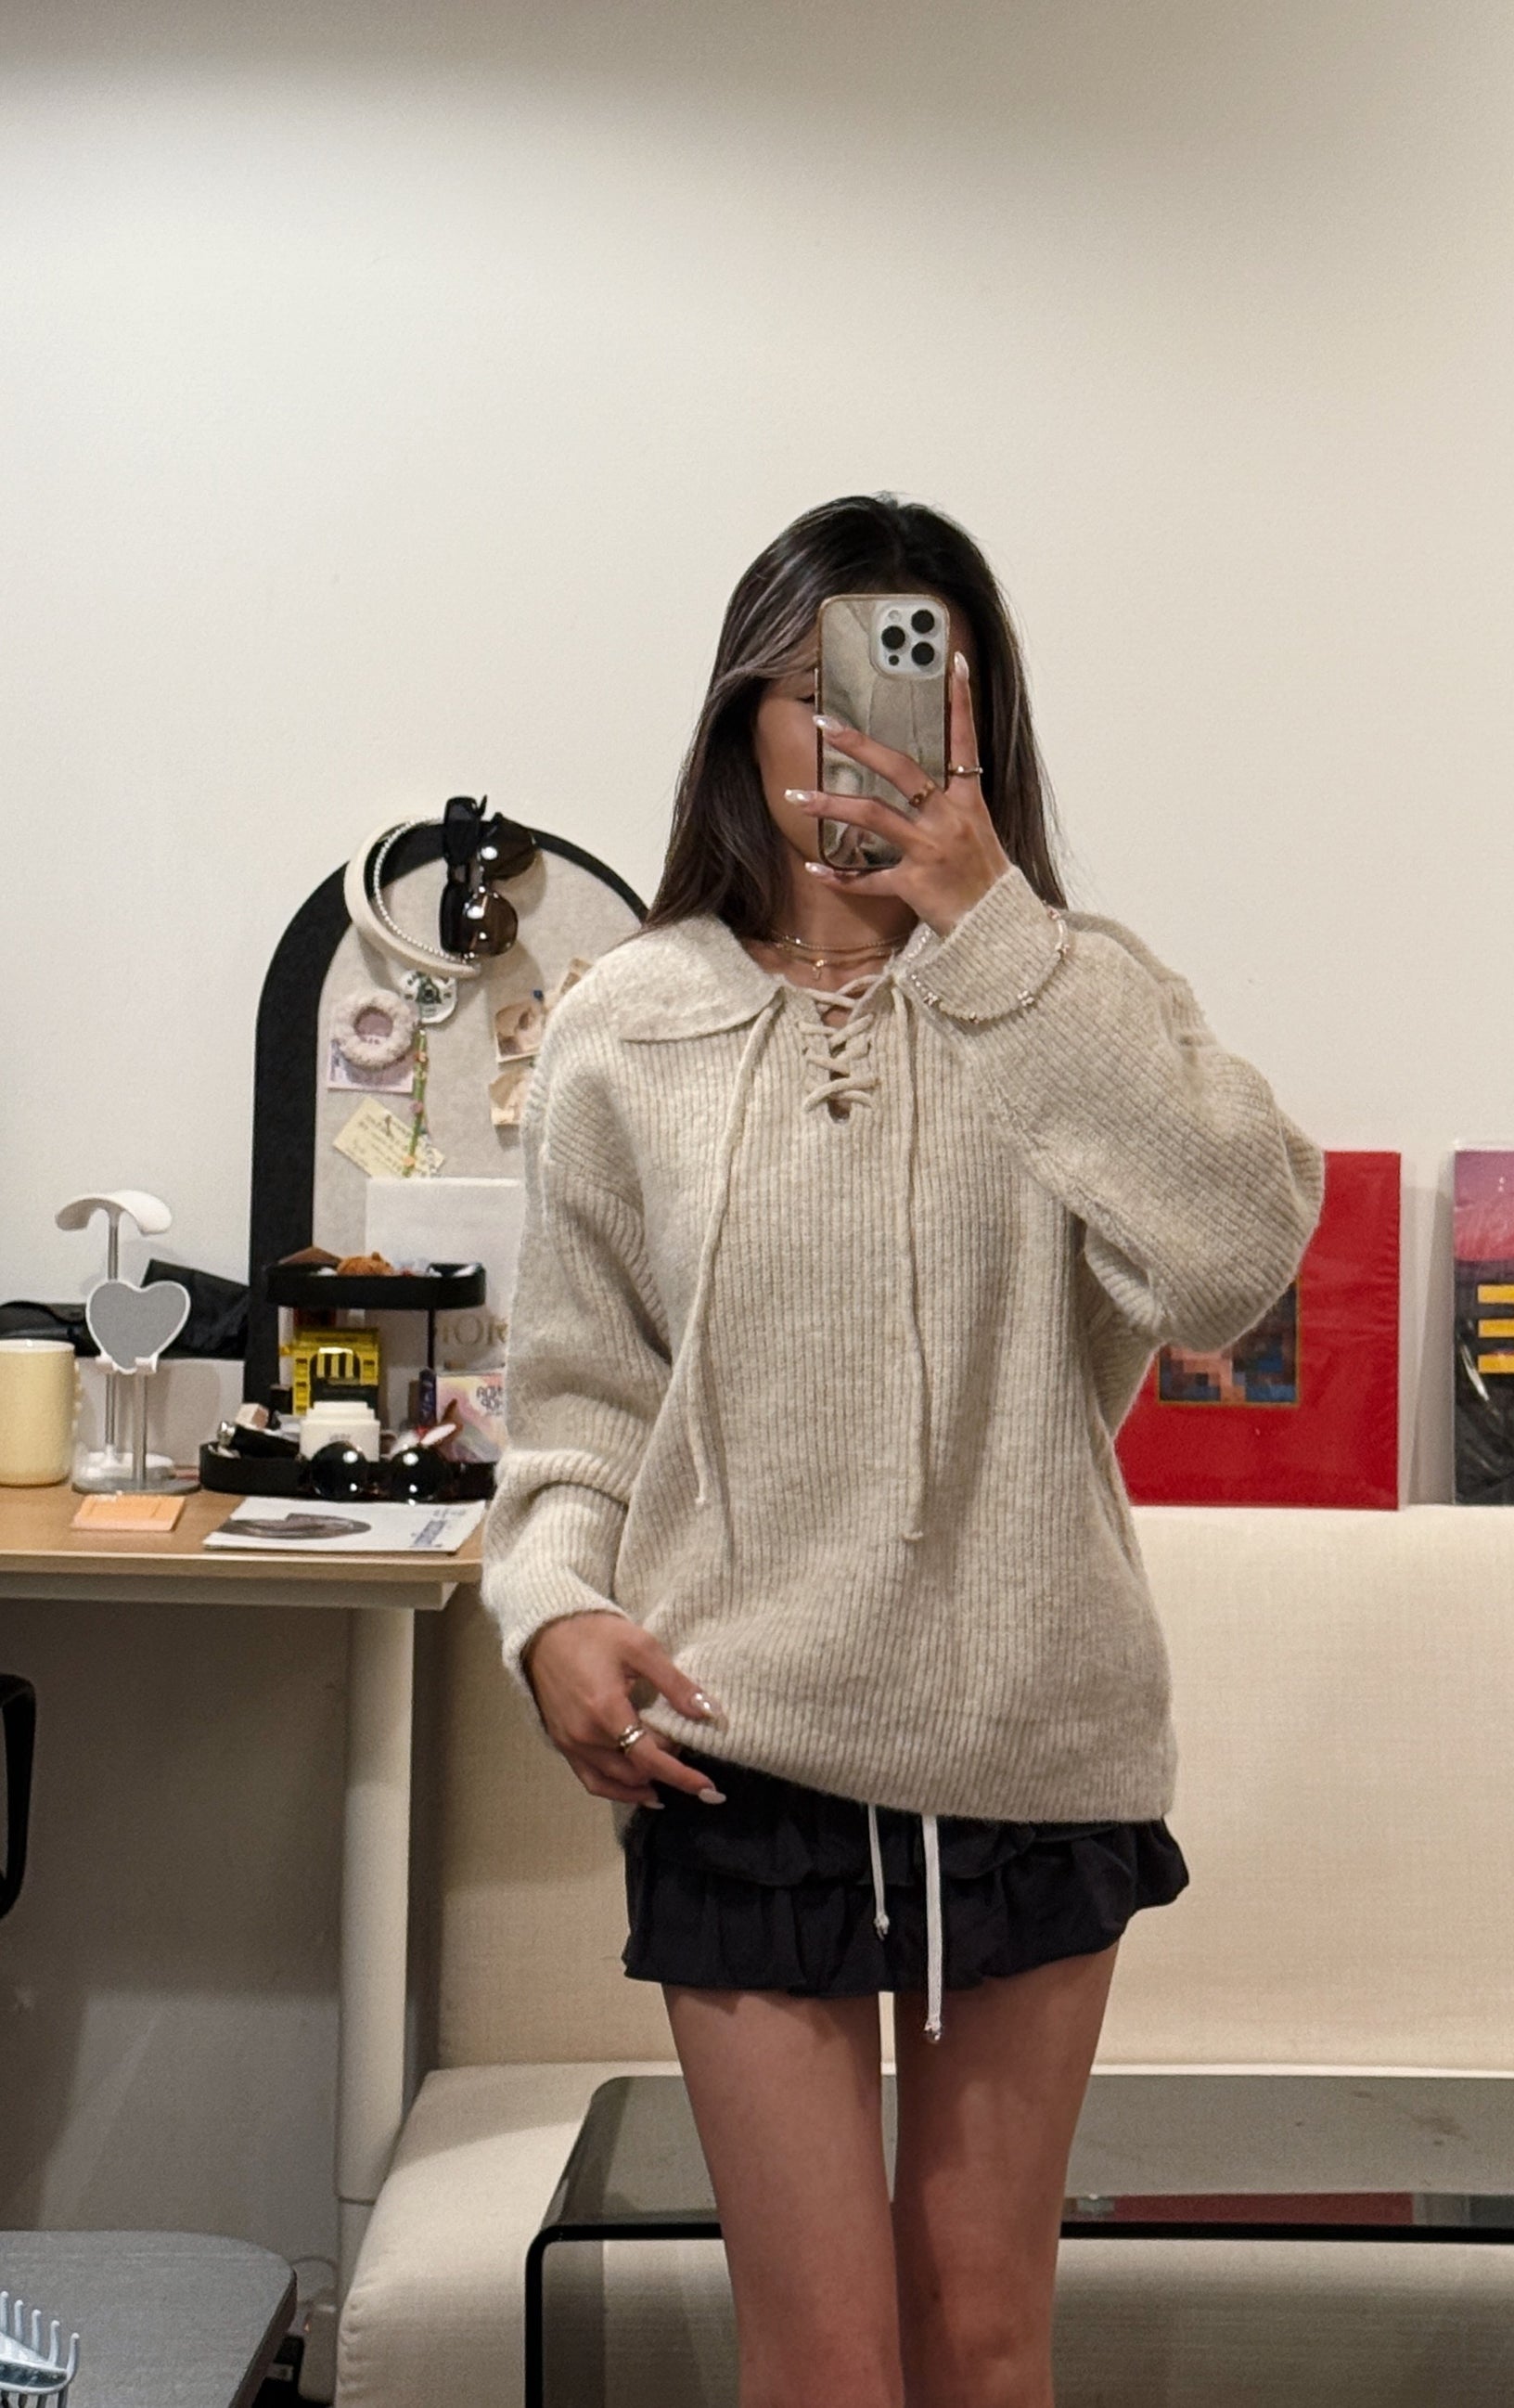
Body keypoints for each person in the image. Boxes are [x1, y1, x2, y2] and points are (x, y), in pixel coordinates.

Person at [482, 492, 1325, 2408]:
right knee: (822, 2366)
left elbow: (1229, 1265)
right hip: (735, 1746)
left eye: (910, 679)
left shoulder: (1073, 991)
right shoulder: (627, 1024)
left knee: (987, 2339)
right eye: (815, 681)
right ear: (741, 715)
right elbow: (581, 1402)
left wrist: (991, 936)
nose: (859, 724)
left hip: (1029, 1739)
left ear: (977, 715)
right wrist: (552, 1611)